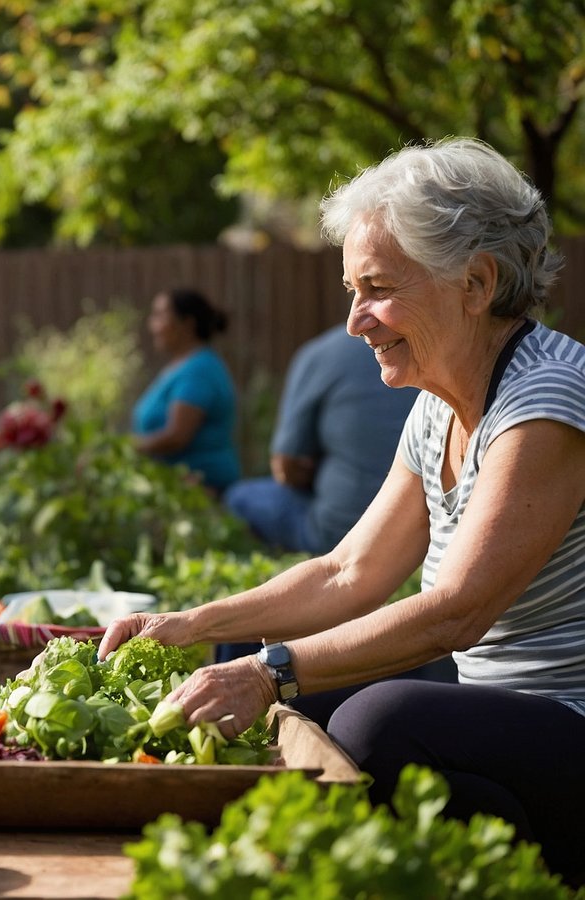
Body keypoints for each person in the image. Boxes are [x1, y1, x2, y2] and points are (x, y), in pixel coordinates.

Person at [100, 138, 585, 885]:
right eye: (352, 291)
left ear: (477, 282)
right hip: (499, 710)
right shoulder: (436, 407)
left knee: (374, 722)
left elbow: (458, 612)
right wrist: (199, 625)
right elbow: (348, 570)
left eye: (378, 289)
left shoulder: (544, 402)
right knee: (254, 666)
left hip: (568, 725)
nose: (357, 320)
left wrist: (271, 673)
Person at [225, 324, 419, 555]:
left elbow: (285, 466)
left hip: (339, 531)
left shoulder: (322, 354)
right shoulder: (429, 353)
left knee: (238, 496)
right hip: (421, 529)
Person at [130, 287, 240, 493]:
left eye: (160, 316)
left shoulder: (199, 369)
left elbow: (177, 436)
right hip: (176, 488)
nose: (153, 325)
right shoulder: (181, 367)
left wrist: (125, 447)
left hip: (202, 490)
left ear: (187, 324)